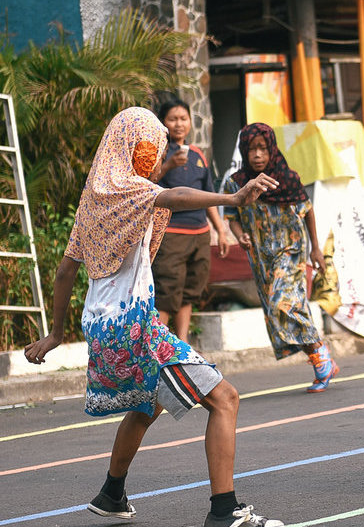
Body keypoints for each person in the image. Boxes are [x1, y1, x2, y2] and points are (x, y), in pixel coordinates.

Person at [22, 107, 283, 527]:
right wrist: (232, 198)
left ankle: (111, 494)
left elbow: (65, 271)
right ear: (131, 147)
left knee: (148, 404)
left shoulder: (95, 196)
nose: (155, 157)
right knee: (225, 399)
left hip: (105, 327)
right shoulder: (128, 190)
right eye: (151, 148)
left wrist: (56, 334)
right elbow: (175, 197)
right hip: (135, 327)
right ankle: (224, 511)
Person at [222, 122, 337, 393]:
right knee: (285, 308)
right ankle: (319, 358)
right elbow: (232, 218)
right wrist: (240, 235)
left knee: (282, 301)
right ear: (244, 152)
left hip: (291, 249)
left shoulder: (287, 178)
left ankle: (320, 353)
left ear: (272, 149)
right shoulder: (236, 183)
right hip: (261, 255)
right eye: (252, 150)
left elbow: (307, 211)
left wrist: (316, 249)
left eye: (263, 148)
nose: (258, 155)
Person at [148, 98, 230, 343]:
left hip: (200, 234)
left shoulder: (198, 155)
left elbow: (207, 197)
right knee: (166, 292)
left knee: (188, 293)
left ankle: (182, 346)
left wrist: (220, 231)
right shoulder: (156, 153)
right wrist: (168, 165)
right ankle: (158, 348)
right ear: (163, 123)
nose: (179, 124)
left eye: (183, 119)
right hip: (170, 234)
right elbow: (147, 186)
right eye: (172, 119)